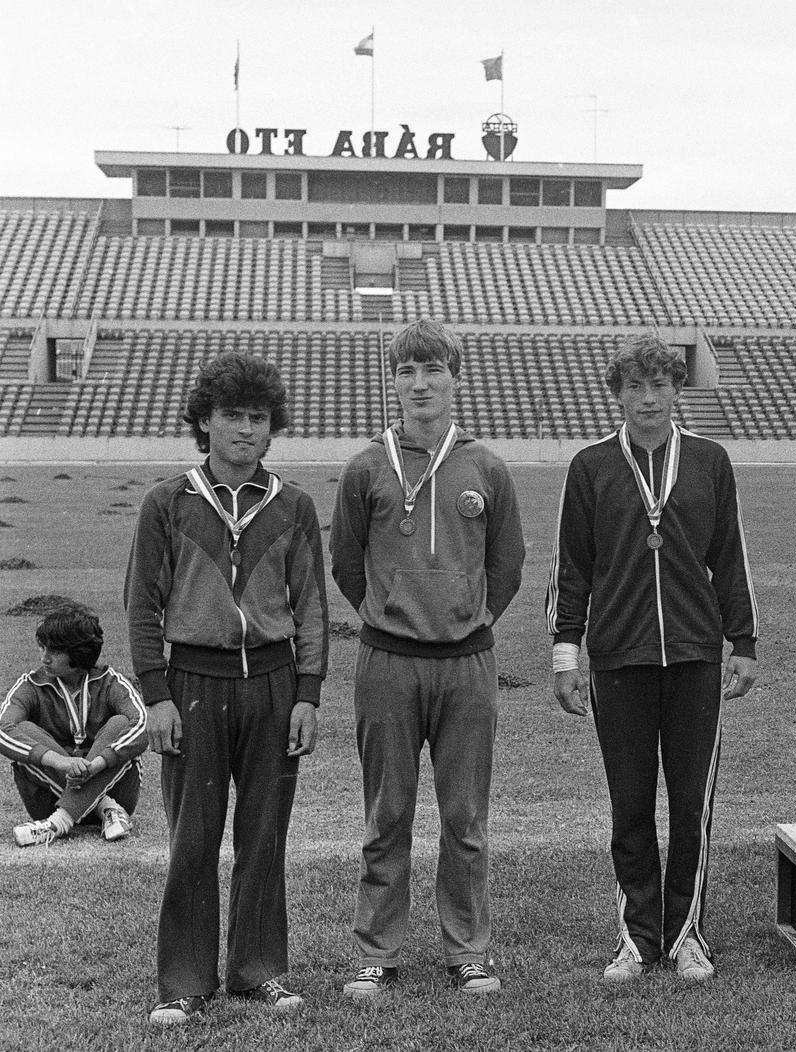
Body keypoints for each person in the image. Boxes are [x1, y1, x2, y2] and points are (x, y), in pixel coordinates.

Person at [125, 351, 328, 1025]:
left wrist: (308, 692)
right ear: (204, 422)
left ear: (272, 430)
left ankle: (258, 969)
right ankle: (184, 981)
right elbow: (142, 606)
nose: (245, 429)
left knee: (265, 836)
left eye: (258, 417)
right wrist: (155, 696)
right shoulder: (167, 503)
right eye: (232, 415)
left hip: (272, 684)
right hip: (191, 687)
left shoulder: (293, 505)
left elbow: (313, 610)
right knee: (192, 839)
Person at [548, 335, 758, 984]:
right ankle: (637, 939)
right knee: (631, 806)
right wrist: (566, 654)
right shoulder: (590, 468)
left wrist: (743, 643)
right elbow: (573, 569)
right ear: (618, 393)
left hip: (695, 656)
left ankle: (687, 934)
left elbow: (730, 557)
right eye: (635, 387)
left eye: (660, 385)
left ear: (676, 390)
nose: (648, 399)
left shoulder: (708, 461)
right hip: (619, 660)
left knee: (690, 804)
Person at [331, 318, 524, 999]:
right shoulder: (364, 467)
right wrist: (392, 619)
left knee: (464, 817)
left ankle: (467, 949)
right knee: (387, 813)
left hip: (467, 666)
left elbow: (507, 567)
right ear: (392, 381)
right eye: (407, 372)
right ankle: (377, 951)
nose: (420, 384)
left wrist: (468, 623)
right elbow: (346, 566)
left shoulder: (487, 468)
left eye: (432, 370)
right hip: (387, 665)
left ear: (455, 377)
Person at [2, 604, 146, 847]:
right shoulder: (32, 685)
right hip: (48, 800)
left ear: (79, 654)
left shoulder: (110, 683)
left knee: (121, 723)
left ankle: (58, 823)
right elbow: (2, 728)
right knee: (22, 729)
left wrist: (95, 766)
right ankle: (105, 807)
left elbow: (142, 724)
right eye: (42, 647)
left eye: (54, 651)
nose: (43, 657)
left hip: (115, 788)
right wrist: (61, 762)